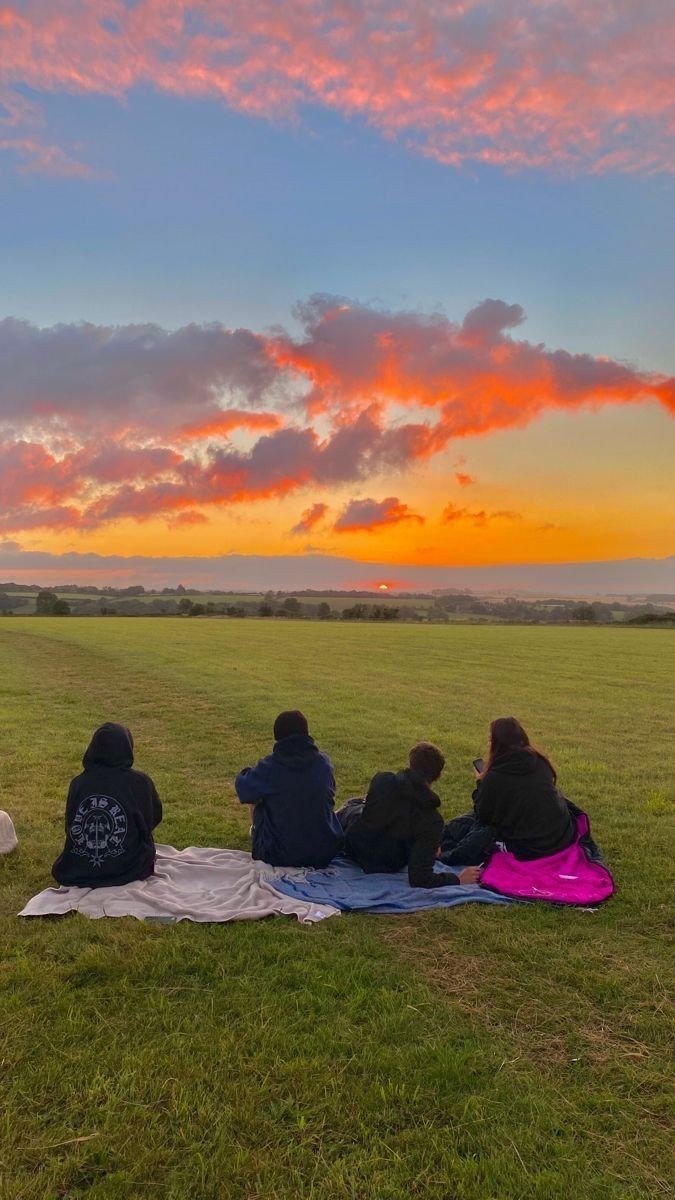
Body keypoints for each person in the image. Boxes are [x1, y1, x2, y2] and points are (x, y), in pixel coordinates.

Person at [341, 742, 481, 888]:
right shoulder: (431, 820)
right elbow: (420, 878)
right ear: (438, 775)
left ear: (410, 762)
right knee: (356, 807)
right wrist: (457, 879)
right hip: (387, 863)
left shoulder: (382, 782)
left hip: (355, 848)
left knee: (353, 807)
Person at [441, 717, 575, 866]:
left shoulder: (495, 776)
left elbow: (482, 816)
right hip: (560, 836)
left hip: (532, 847)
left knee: (470, 829)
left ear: (496, 744)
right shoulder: (539, 762)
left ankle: (441, 852)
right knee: (466, 824)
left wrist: (481, 782)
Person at [52, 723, 162, 888]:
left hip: (78, 869)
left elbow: (71, 825)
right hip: (129, 869)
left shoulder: (78, 783)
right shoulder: (140, 783)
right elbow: (152, 819)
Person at [235, 710, 343, 867]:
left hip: (278, 855)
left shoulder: (270, 768)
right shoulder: (324, 764)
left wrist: (249, 772)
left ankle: (257, 832)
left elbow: (243, 789)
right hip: (324, 853)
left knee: (257, 795)